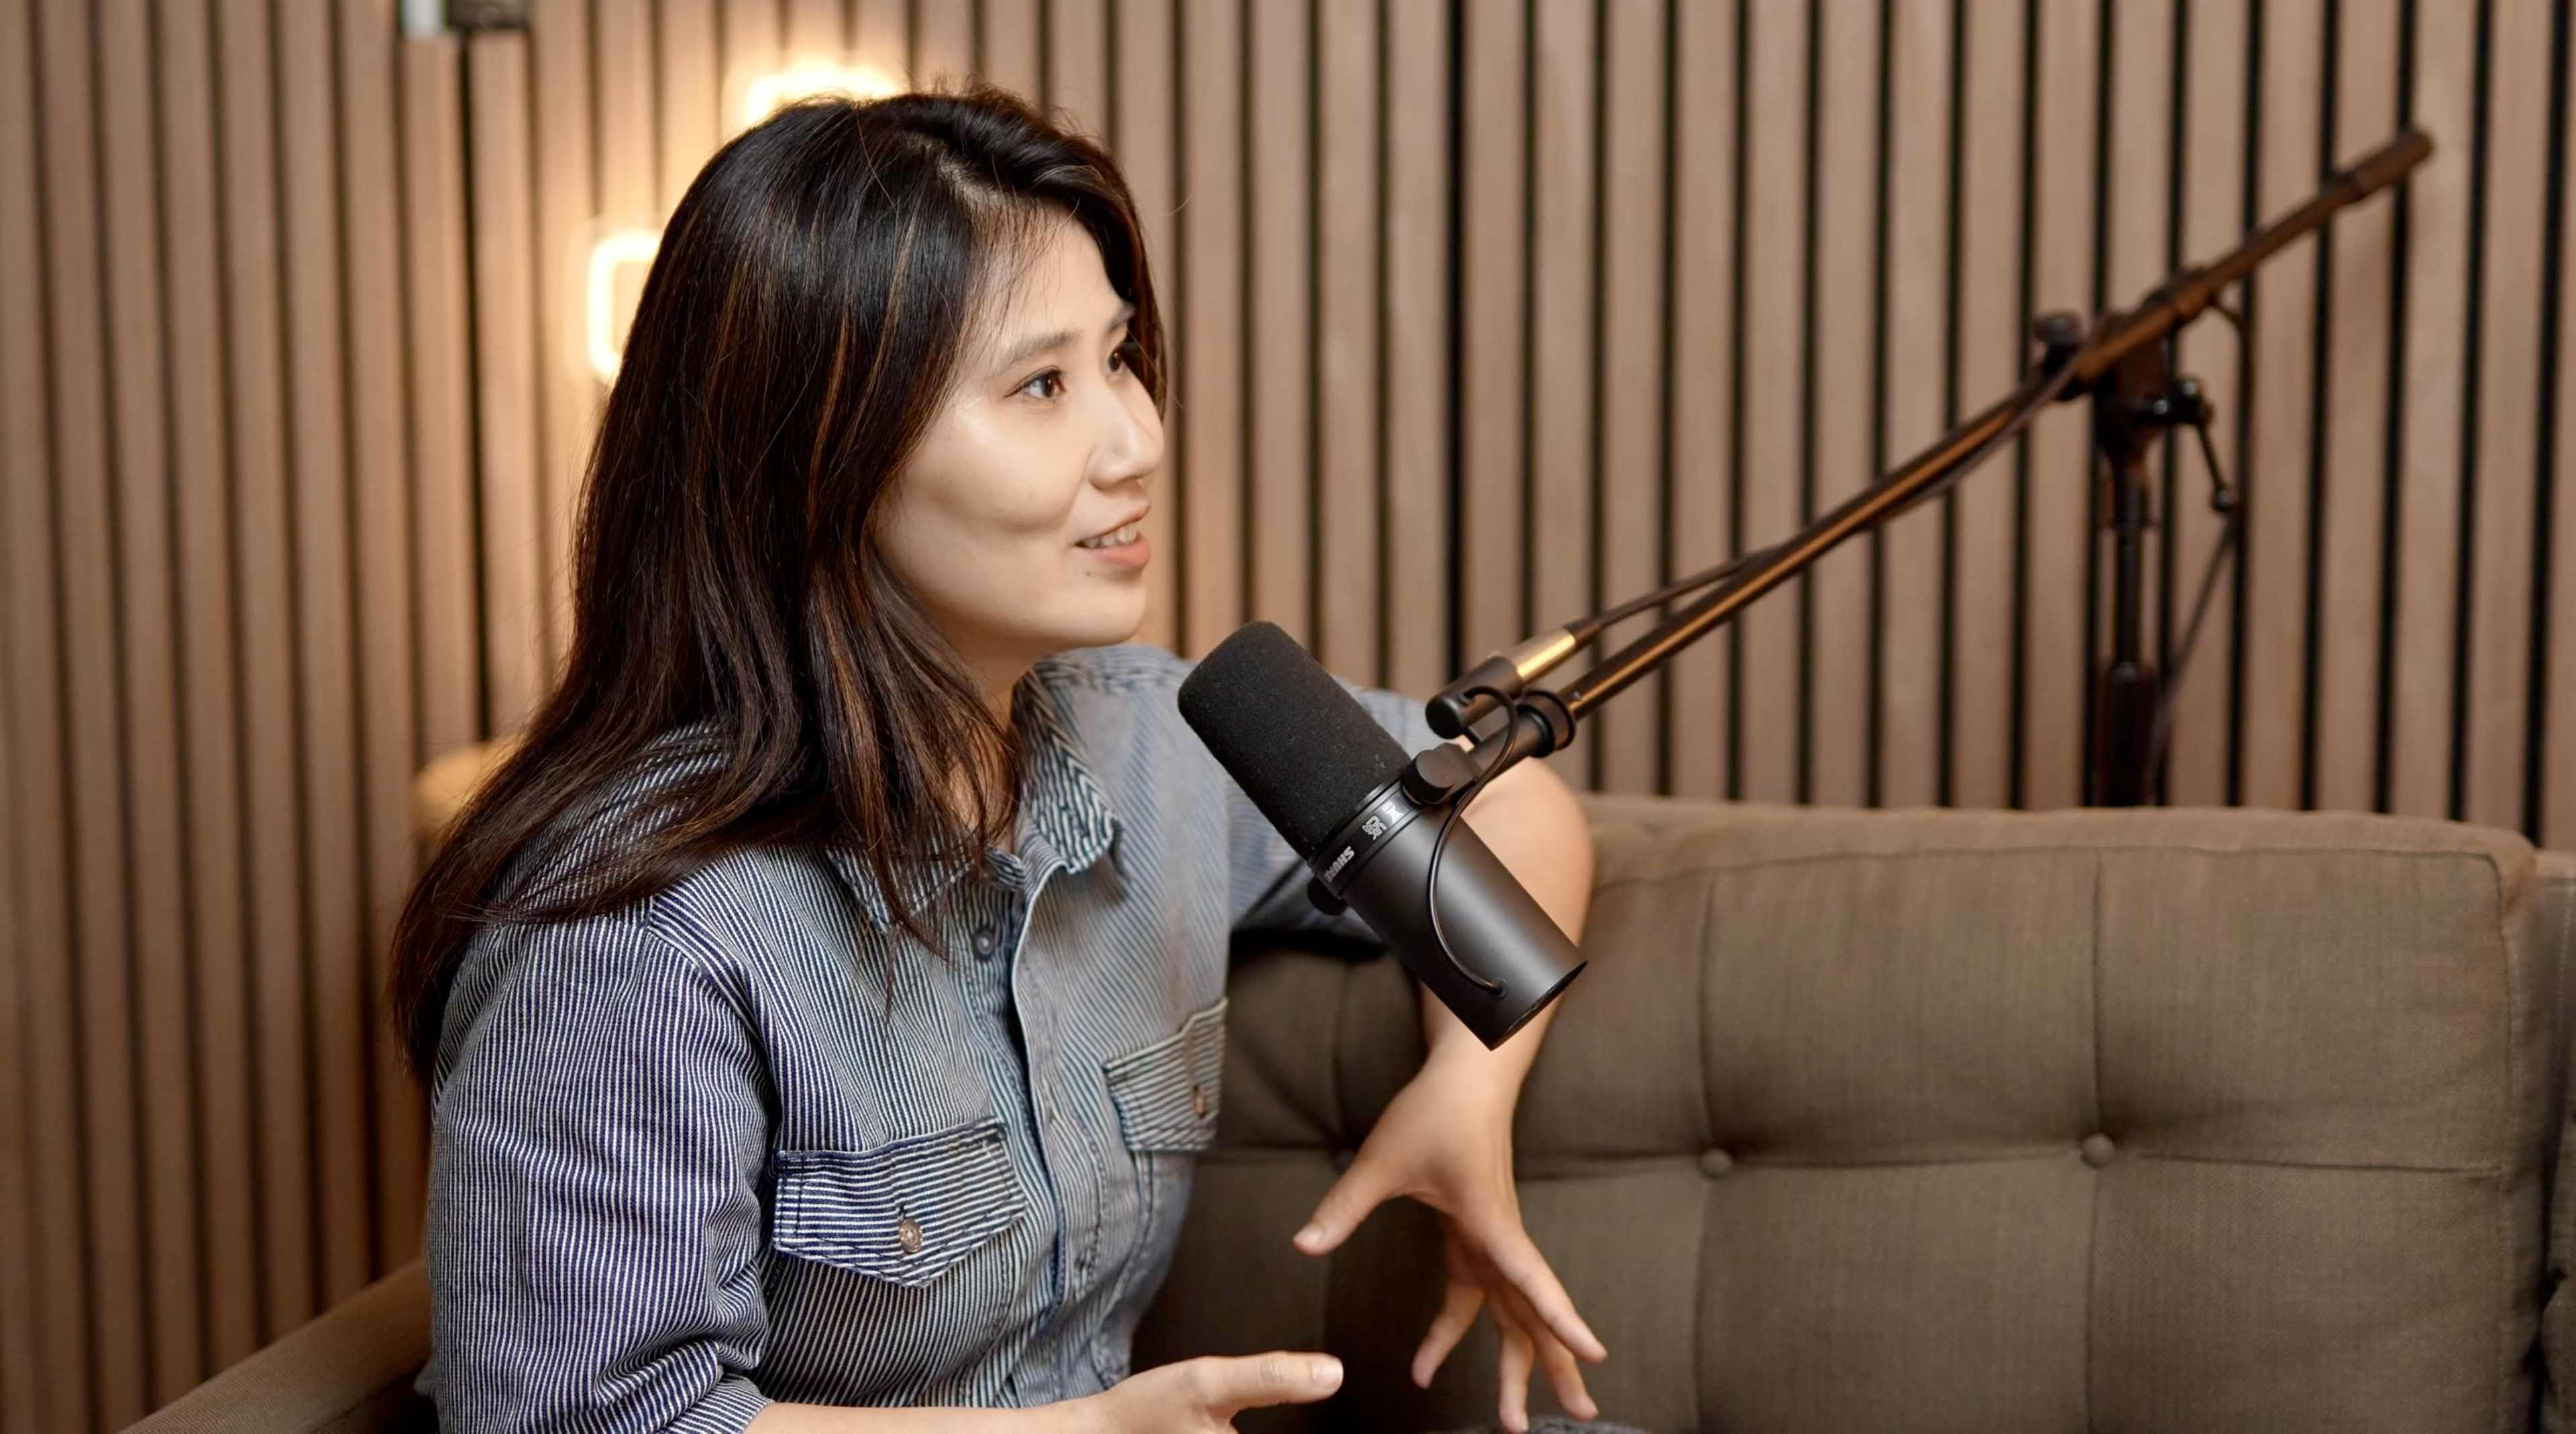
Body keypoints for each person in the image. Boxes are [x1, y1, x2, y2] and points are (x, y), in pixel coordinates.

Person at [390, 85, 1611, 1434]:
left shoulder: (1160, 739)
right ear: (823, 460)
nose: (1137, 439)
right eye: (1041, 385)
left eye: (1120, 357)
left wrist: (1464, 1095)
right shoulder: (629, 928)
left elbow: (1504, 795)